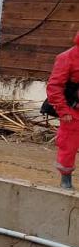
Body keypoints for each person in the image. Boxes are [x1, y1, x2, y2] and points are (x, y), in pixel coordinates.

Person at [47, 30, 79, 190]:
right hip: (72, 112)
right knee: (68, 145)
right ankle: (66, 179)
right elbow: (54, 86)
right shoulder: (66, 57)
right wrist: (63, 111)